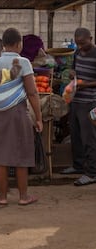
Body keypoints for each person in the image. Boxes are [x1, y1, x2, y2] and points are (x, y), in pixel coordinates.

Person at [0, 28, 43, 206]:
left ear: (3, 44)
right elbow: (32, 92)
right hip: (17, 113)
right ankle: (23, 197)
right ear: (19, 44)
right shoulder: (23, 62)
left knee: (1, 155)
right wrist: (38, 118)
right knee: (21, 153)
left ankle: (2, 196)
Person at [60, 27, 96, 186]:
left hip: (90, 102)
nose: (80, 47)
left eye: (83, 44)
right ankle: (78, 165)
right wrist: (73, 75)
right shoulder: (77, 53)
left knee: (89, 138)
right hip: (76, 100)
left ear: (91, 38)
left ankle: (92, 173)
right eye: (78, 44)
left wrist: (85, 85)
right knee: (75, 135)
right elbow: (74, 69)